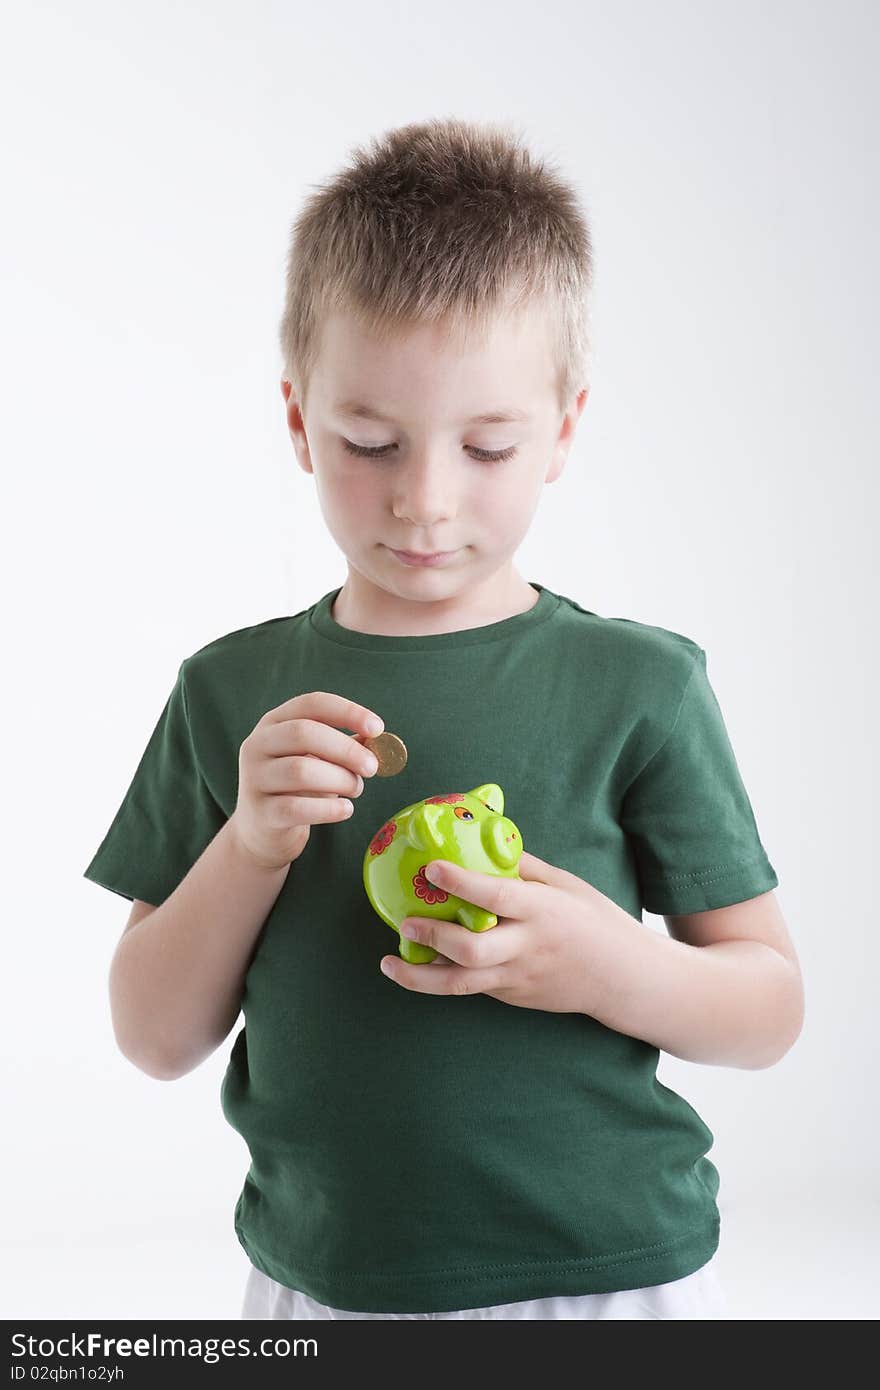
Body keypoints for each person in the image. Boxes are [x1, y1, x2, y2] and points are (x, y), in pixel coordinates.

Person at [83, 117, 804, 1321]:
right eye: (371, 441)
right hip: (324, 1284)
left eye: (486, 444)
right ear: (299, 419)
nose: (424, 500)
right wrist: (252, 840)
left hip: (609, 1277)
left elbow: (768, 1006)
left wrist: (608, 967)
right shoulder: (226, 692)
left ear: (563, 431)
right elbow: (155, 1037)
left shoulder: (639, 685)